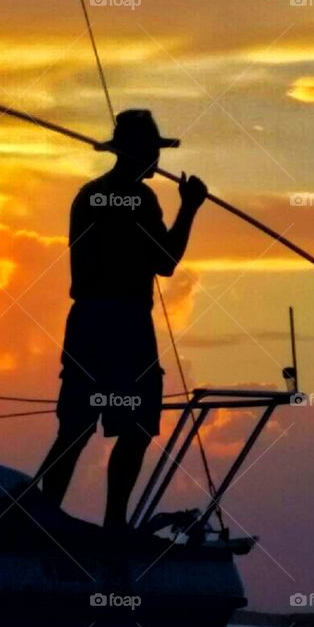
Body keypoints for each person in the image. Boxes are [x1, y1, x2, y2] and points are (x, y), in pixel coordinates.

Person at [37, 109, 207, 531]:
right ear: (135, 152)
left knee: (76, 428)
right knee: (135, 425)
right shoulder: (137, 200)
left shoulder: (89, 196)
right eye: (151, 151)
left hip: (88, 325)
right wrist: (189, 209)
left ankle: (42, 524)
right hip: (123, 327)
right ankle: (113, 526)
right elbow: (166, 262)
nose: (157, 160)